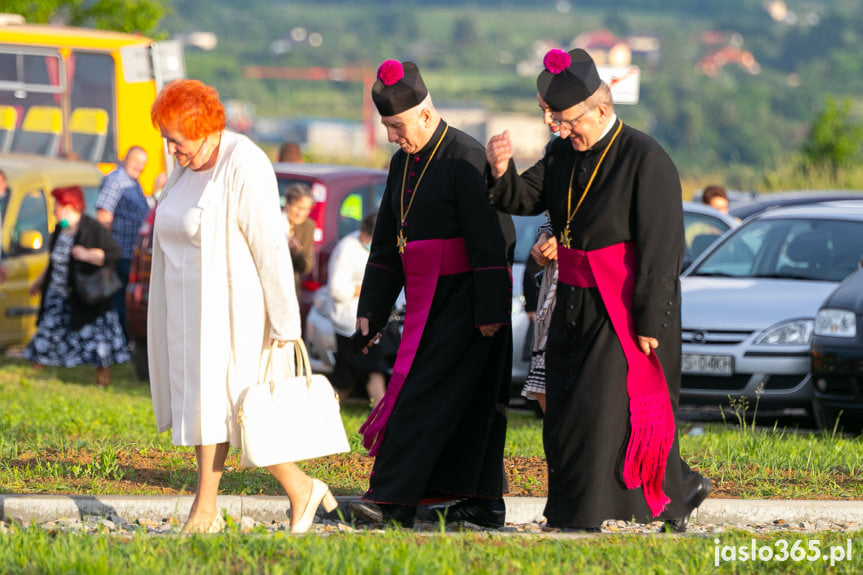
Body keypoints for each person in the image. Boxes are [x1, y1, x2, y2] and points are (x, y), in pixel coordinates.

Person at [485, 48, 710, 532]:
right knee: (564, 407)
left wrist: (651, 320)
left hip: (622, 306)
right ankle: (678, 490)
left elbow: (662, 248)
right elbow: (525, 198)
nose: (560, 130)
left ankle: (584, 514)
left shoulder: (645, 158)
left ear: (601, 109)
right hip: (572, 296)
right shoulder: (561, 153)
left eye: (566, 121)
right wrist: (501, 171)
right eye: (553, 122)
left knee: (603, 410)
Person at [147, 79, 335, 534]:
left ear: (203, 128)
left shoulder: (244, 160)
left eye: (177, 140)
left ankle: (208, 510)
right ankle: (299, 491)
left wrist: (286, 322)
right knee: (202, 409)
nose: (172, 150)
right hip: (184, 310)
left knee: (233, 411)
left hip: (232, 311)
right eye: (167, 140)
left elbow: (270, 246)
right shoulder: (184, 167)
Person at [348, 59, 513, 529]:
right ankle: (482, 501)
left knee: (422, 400)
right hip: (426, 302)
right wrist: (372, 311)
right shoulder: (402, 163)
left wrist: (490, 311)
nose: (391, 136)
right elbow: (387, 244)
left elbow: (494, 241)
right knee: (454, 407)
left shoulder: (466, 157)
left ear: (424, 113)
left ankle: (393, 501)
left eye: (396, 125)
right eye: (386, 126)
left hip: (466, 305)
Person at [23, 186, 129, 387]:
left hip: (87, 296)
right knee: (47, 330)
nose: (54, 210)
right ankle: (33, 373)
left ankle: (102, 378)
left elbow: (114, 253)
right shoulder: (60, 230)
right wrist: (38, 282)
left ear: (69, 206)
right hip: (59, 293)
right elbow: (53, 261)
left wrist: (87, 254)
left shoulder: (91, 228)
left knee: (97, 339)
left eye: (57, 206)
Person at [327, 212, 387, 408]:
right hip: (349, 324)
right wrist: (362, 289)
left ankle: (380, 414)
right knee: (350, 376)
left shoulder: (382, 245)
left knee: (368, 370)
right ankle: (328, 412)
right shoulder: (347, 248)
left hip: (370, 322)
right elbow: (336, 289)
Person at [95, 145, 149, 340]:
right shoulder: (116, 180)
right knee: (120, 302)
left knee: (128, 301)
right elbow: (104, 215)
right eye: (136, 162)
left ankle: (126, 343)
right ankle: (121, 343)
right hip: (120, 253)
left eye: (143, 164)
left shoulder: (133, 183)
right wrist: (108, 253)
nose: (139, 167)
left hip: (132, 254)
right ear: (126, 159)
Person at [284, 183, 316, 293]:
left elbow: (307, 267)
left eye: (306, 209)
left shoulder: (308, 226)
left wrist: (297, 252)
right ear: (287, 204)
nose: (301, 213)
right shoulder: (274, 221)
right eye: (298, 207)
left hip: (290, 287)